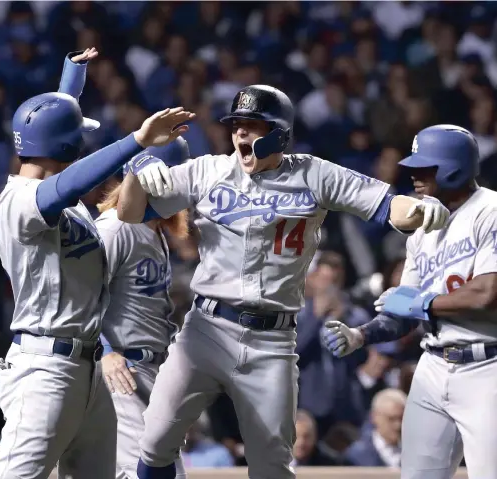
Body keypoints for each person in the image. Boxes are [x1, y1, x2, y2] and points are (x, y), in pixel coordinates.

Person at [116, 85, 450, 479]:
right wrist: (136, 171)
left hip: (271, 341)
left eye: (252, 125)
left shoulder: (313, 172)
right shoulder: (208, 170)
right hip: (205, 329)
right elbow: (129, 213)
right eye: (237, 125)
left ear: (279, 133)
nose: (240, 134)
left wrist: (419, 209)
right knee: (154, 441)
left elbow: (383, 204)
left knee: (272, 466)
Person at [0, 44, 194, 479]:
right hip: (45, 366)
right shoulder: (20, 201)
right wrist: (136, 142)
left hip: (89, 373)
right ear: (66, 144)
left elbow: (54, 145)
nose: (83, 144)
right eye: (77, 137)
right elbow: (61, 183)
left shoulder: (61, 196)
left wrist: (70, 87)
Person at [323, 124, 497, 479]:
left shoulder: (490, 210)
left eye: (425, 167)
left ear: (454, 167)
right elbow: (402, 311)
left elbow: (486, 292)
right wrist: (362, 335)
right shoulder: (422, 229)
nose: (414, 175)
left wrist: (422, 303)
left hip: (487, 366)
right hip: (433, 364)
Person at [96, 139, 190, 479]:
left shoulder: (156, 231)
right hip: (122, 371)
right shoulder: (115, 228)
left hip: (151, 372)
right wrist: (104, 350)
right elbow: (78, 296)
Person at [343, 388, 405, 467]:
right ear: (374, 417)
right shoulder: (356, 457)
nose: (398, 425)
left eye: (402, 419)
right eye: (391, 419)